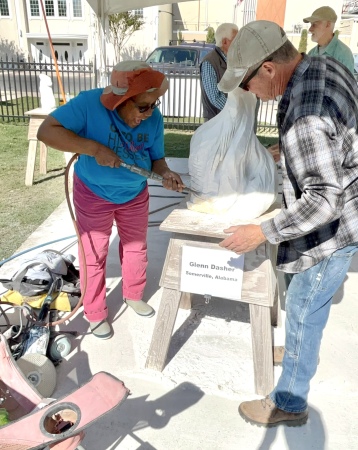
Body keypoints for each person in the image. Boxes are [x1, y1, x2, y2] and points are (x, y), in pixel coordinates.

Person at [218, 20, 358, 427]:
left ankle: (290, 402)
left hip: (334, 231)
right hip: (349, 207)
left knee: (301, 305)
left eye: (245, 83)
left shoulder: (305, 115)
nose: (247, 92)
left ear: (267, 69)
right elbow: (336, 132)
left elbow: (323, 200)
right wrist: (293, 151)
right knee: (305, 304)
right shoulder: (323, 65)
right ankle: (299, 350)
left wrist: (261, 231)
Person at [37, 61, 184, 340]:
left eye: (155, 104)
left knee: (136, 248)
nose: (150, 113)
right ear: (120, 101)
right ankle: (95, 312)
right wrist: (93, 148)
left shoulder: (154, 116)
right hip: (93, 193)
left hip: (134, 194)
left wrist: (165, 173)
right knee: (94, 255)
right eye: (143, 107)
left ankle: (133, 295)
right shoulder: (88, 104)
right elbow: (46, 131)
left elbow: (158, 159)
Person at [200, 23, 238, 121]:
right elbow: (215, 97)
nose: (239, 43)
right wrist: (235, 110)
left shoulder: (233, 60)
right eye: (236, 39)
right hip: (215, 119)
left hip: (231, 117)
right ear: (225, 42)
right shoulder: (209, 62)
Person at [304, 6, 354, 74]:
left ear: (328, 25)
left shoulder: (344, 54)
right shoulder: (311, 54)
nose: (310, 29)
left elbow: (349, 84)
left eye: (314, 25)